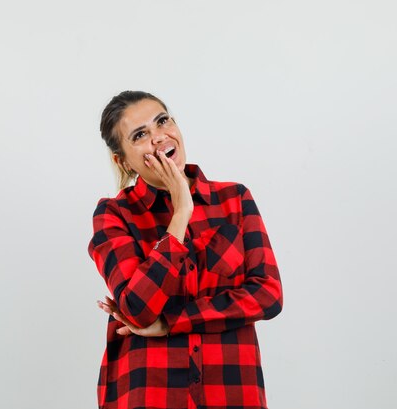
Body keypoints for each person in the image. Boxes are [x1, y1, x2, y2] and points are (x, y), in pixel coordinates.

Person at [88, 90, 283, 409]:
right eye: (140, 134)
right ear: (122, 160)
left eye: (162, 121)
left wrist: (171, 323)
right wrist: (181, 214)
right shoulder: (114, 214)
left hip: (231, 392)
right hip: (151, 392)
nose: (158, 137)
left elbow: (268, 295)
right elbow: (136, 309)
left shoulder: (234, 199)